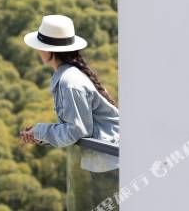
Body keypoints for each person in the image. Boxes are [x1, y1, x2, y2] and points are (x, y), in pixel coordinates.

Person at [18, 15, 120, 209]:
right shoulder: (72, 75)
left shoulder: (69, 82)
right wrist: (41, 135)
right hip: (108, 162)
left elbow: (76, 131)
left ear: (49, 51)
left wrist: (40, 131)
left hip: (110, 165)